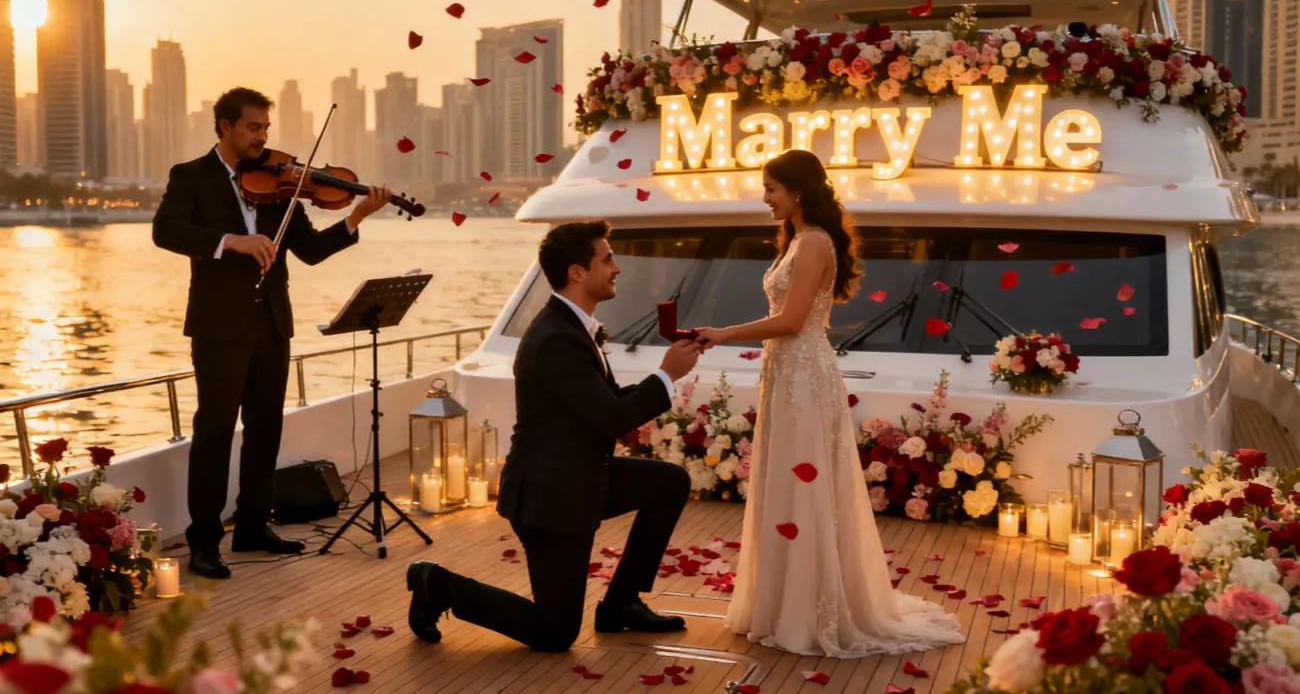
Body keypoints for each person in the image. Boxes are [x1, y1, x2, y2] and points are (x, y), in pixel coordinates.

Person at [693, 150, 965, 657]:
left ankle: (806, 608)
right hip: (787, 371)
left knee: (805, 484)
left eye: (771, 188)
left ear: (796, 191)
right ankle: (782, 602)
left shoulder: (814, 242)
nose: (765, 197)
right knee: (787, 483)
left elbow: (794, 319)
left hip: (803, 374)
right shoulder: (798, 239)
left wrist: (723, 333)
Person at [406, 220, 703, 651]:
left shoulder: (575, 327)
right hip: (550, 496)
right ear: (577, 272)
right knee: (555, 633)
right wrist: (665, 375)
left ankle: (622, 603)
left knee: (669, 483)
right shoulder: (555, 338)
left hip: (582, 476)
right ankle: (435, 583)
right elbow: (610, 418)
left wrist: (662, 376)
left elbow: (608, 401)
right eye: (607, 258)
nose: (617, 268)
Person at [152, 87, 392, 580]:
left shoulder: (281, 186)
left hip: (272, 323)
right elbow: (166, 231)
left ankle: (253, 526)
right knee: (215, 432)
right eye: (253, 127)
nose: (263, 136)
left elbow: (310, 250)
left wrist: (358, 215)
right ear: (224, 127)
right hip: (219, 326)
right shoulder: (191, 176)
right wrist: (230, 242)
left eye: (265, 127)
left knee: (266, 428)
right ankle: (204, 541)